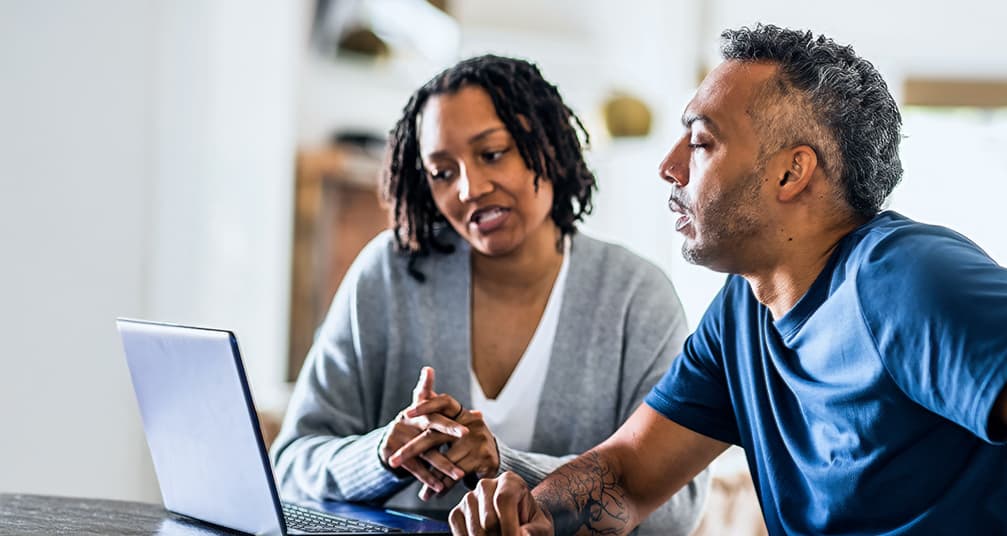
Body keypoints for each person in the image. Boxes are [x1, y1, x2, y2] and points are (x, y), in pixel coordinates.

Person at [449, 25, 1007, 535]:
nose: (669, 166)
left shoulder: (905, 275)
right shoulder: (744, 308)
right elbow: (628, 474)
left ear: (791, 172)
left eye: (700, 141)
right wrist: (533, 513)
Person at [269, 55, 708, 534]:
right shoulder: (388, 275)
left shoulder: (635, 298)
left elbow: (675, 507)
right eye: (442, 172)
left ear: (548, 145)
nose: (469, 188)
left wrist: (505, 464)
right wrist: (381, 453)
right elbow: (291, 464)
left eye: (492, 153)